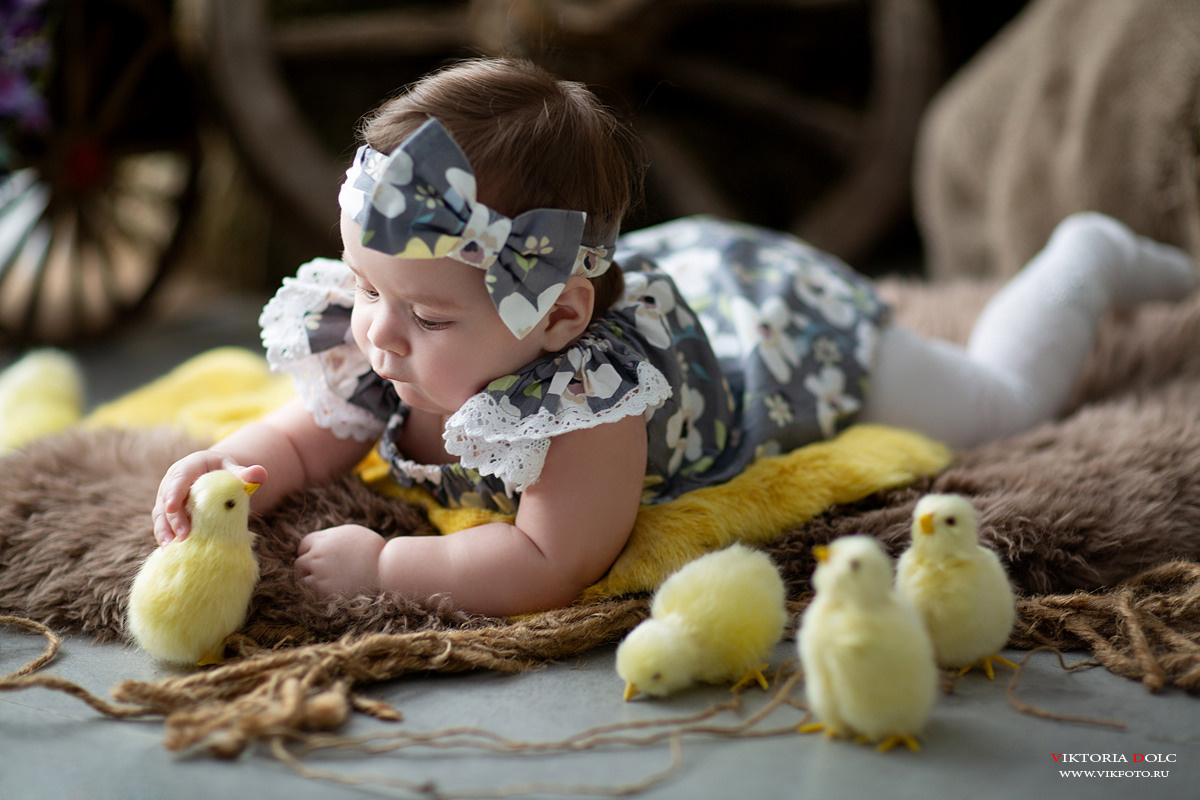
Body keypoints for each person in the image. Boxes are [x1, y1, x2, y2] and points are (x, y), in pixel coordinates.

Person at [152, 58, 1198, 617]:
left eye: (421, 314)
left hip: (787, 329)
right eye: (366, 286)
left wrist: (389, 571)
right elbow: (311, 432)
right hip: (669, 268)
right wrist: (234, 462)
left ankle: (1084, 260)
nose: (376, 333)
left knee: (998, 404)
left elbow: (547, 557)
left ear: (558, 318)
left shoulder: (593, 406)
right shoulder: (417, 329)